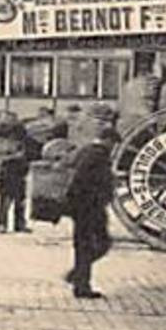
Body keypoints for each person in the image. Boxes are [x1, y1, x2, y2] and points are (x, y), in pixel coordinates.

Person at [64, 126, 118, 299]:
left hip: (83, 207)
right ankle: (80, 283)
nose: (113, 148)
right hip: (89, 207)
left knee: (84, 245)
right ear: (108, 140)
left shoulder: (86, 151)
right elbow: (85, 180)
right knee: (98, 243)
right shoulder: (97, 155)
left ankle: (78, 278)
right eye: (113, 144)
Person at [0, 110, 31, 233]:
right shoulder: (17, 140)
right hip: (15, 169)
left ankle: (4, 224)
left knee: (9, 198)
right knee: (16, 198)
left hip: (11, 169)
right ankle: (17, 224)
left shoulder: (0, 139)